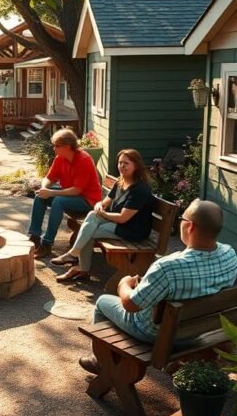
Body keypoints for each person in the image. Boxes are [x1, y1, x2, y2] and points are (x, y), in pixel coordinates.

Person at [79, 198, 237, 372]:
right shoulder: (230, 254)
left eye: (181, 220)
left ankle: (101, 361)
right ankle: (180, 364)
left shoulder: (168, 267)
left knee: (102, 302)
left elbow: (131, 305)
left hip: (159, 335)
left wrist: (124, 285)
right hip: (201, 330)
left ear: (190, 226)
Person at [53, 148, 154, 283]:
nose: (122, 166)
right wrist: (99, 206)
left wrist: (103, 214)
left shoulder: (139, 190)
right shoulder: (120, 182)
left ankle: (79, 264)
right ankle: (77, 260)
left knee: (89, 231)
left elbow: (124, 218)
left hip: (132, 230)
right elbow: (104, 202)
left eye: (126, 163)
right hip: (118, 224)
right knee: (91, 220)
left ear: (136, 165)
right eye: (120, 163)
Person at [27, 128, 102, 258]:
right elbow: (49, 178)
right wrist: (45, 189)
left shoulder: (84, 160)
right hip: (71, 195)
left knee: (58, 201)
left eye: (57, 146)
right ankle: (35, 237)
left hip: (88, 200)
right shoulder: (60, 158)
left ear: (67, 147)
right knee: (40, 196)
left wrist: (51, 192)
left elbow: (77, 190)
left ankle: (47, 244)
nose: (54, 148)